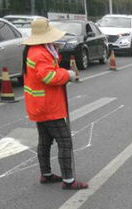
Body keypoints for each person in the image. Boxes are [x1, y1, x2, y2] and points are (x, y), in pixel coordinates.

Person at [22, 18, 88, 190]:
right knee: (65, 141)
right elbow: (49, 77)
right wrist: (67, 75)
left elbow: (47, 71)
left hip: (40, 104)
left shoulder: (37, 50)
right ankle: (68, 180)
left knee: (45, 141)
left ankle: (46, 174)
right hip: (48, 106)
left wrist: (56, 57)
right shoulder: (39, 53)